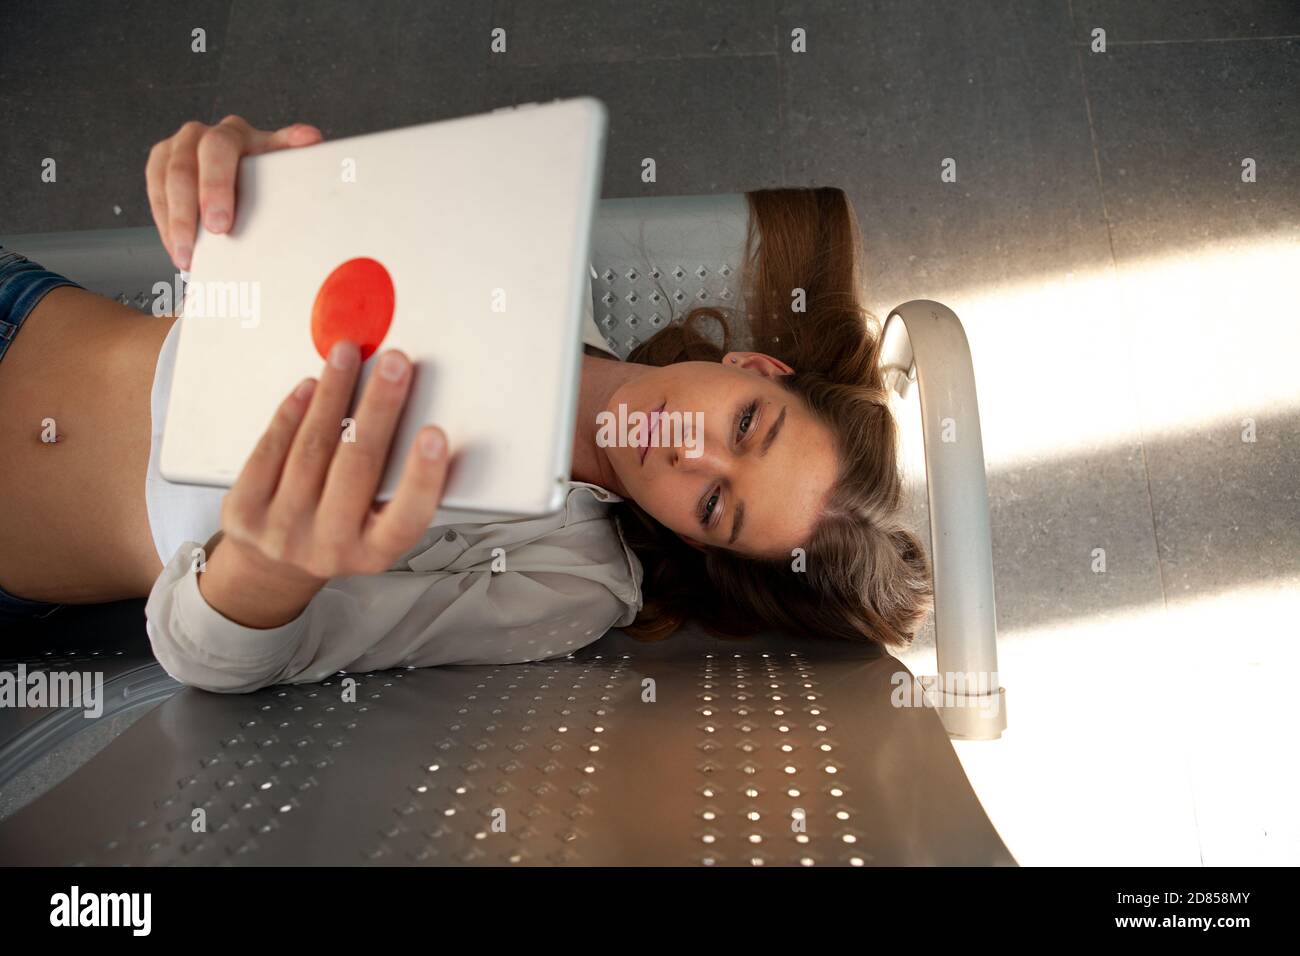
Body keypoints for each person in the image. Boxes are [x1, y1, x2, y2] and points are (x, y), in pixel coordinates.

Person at [0, 116, 932, 692]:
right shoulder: (524, 254)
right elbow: (270, 248)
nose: (687, 451)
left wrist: (281, 560)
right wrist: (238, 179)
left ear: (697, 540)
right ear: (757, 368)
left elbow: (212, 657)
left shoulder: (569, 582)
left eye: (716, 505)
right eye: (744, 429)